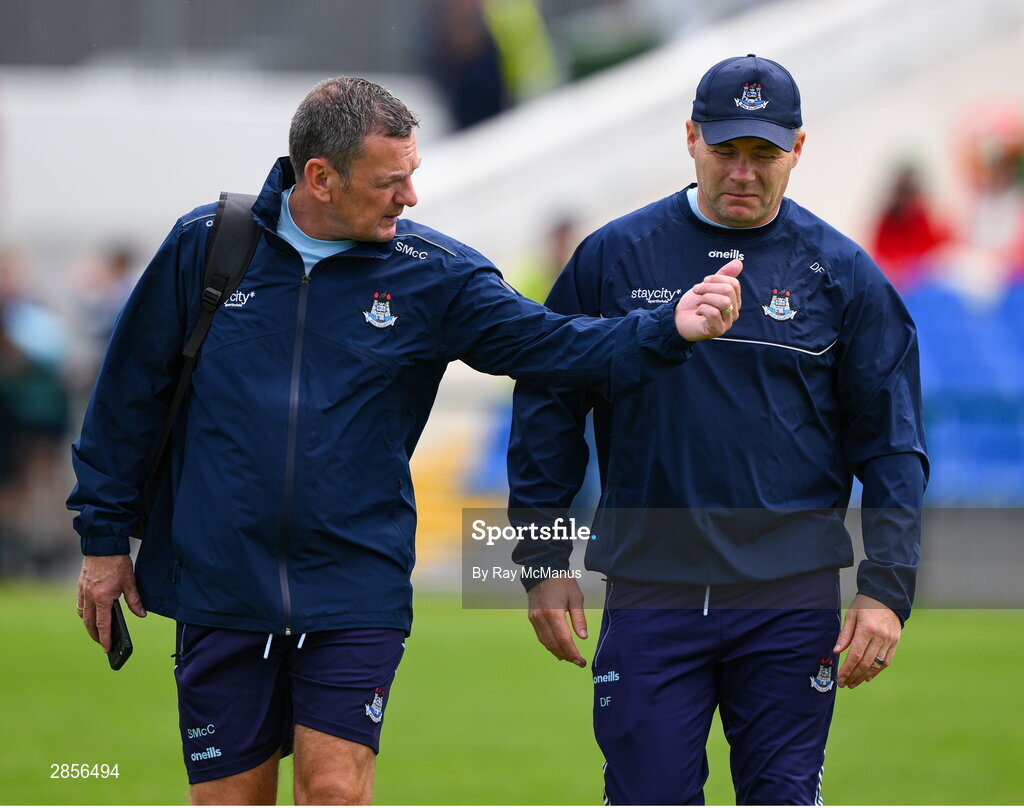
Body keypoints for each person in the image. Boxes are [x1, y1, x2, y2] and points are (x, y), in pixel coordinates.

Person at [68, 76, 742, 805]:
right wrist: (103, 543)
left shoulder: (435, 275)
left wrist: (670, 328)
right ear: (320, 178)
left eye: (413, 175)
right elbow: (125, 398)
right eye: (392, 181)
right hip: (219, 585)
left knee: (335, 791)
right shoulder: (207, 248)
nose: (410, 197)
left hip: (355, 588)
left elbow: (557, 346)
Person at [508, 54, 927, 805]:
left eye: (763, 153)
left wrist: (886, 591)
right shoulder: (612, 259)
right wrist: (541, 560)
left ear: (797, 150)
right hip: (650, 589)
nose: (743, 171)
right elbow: (548, 408)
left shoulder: (844, 274)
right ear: (691, 138)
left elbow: (893, 445)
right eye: (726, 149)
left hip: (790, 598)